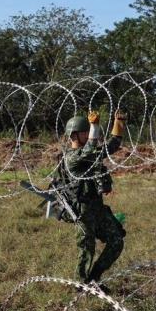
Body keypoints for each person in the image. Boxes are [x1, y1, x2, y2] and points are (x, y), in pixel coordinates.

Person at [56, 109, 127, 289]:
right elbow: (88, 149)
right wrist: (95, 126)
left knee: (117, 240)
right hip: (83, 212)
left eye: (89, 131)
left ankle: (94, 278)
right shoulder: (71, 158)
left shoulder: (90, 154)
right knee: (86, 250)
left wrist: (118, 123)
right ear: (74, 135)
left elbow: (111, 146)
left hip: (98, 209)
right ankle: (80, 285)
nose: (88, 135)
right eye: (84, 132)